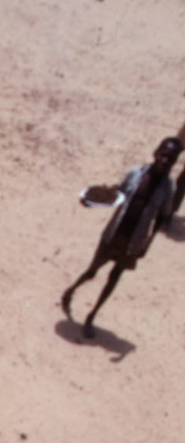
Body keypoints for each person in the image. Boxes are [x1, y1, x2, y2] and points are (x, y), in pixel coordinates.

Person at [61, 136, 182, 338]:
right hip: (114, 235)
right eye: (162, 155)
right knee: (92, 271)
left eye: (170, 158)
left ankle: (91, 316)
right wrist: (90, 200)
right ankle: (71, 291)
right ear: (155, 153)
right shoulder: (135, 174)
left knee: (114, 278)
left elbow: (162, 216)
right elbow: (115, 194)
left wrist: (147, 243)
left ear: (175, 161)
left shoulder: (168, 189)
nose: (164, 161)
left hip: (133, 243)